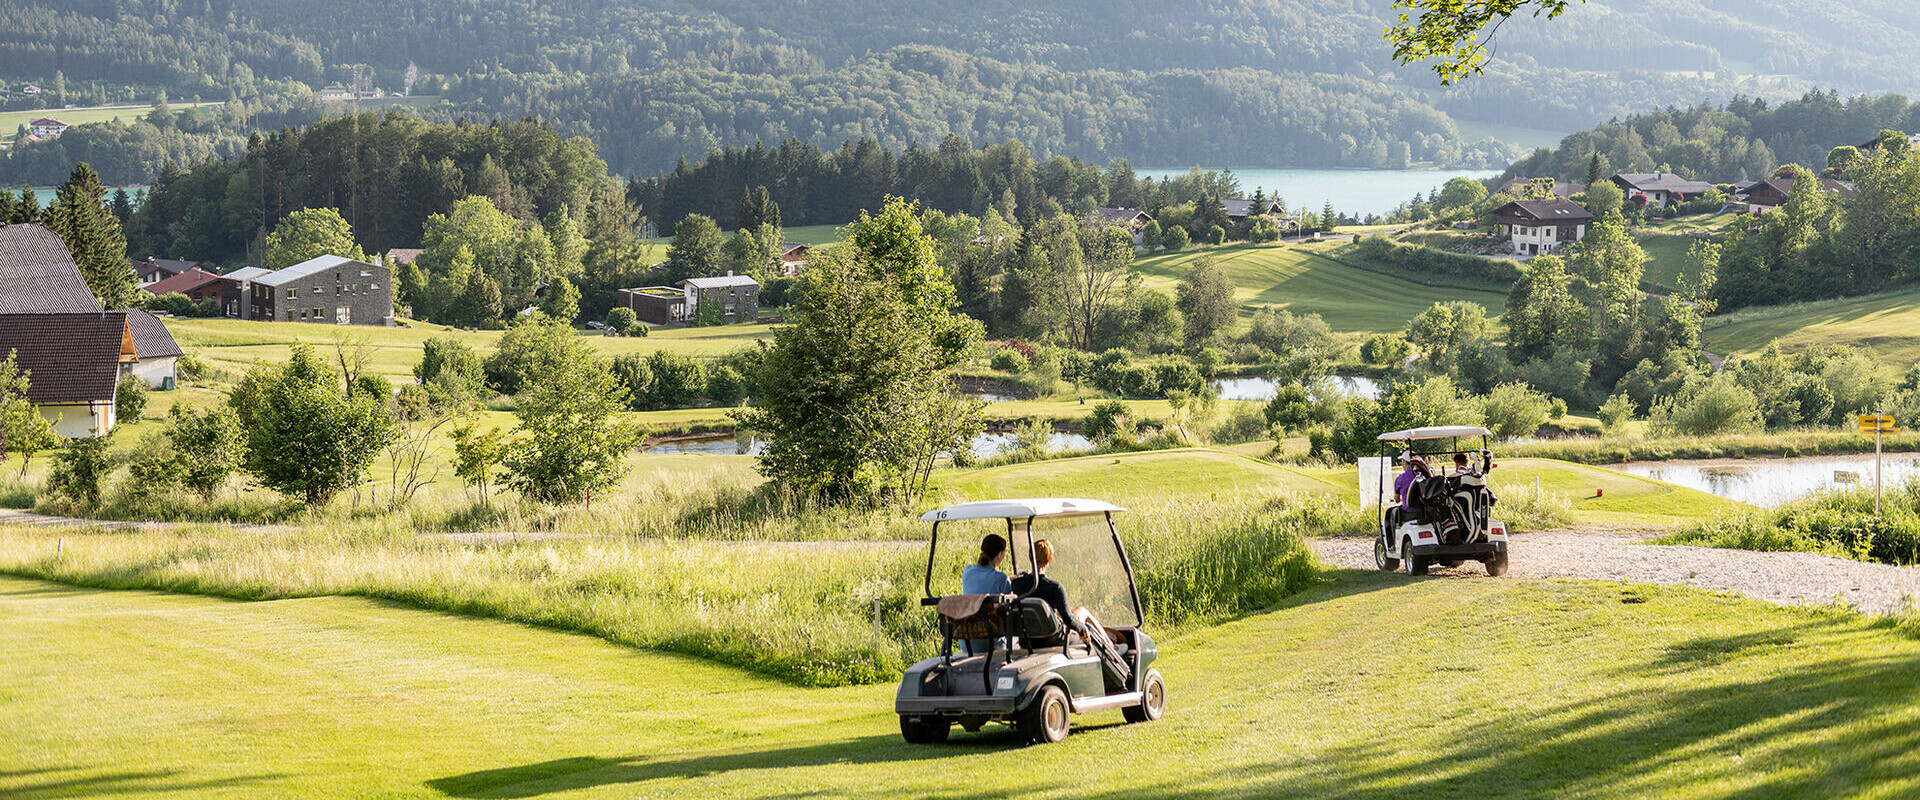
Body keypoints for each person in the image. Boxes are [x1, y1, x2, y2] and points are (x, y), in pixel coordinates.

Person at [959, 534, 1013, 655]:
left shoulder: (967, 571)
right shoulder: (1002, 579)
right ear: (1000, 554)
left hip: (966, 638)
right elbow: (1011, 602)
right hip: (990, 639)